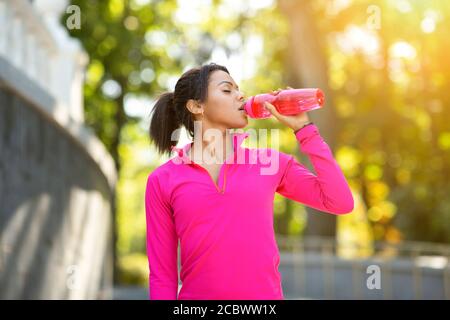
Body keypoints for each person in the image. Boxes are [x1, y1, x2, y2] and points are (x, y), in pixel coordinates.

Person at [145, 62, 354, 300]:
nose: (241, 95)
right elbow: (162, 276)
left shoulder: (269, 163)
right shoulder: (162, 180)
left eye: (238, 89)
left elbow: (340, 202)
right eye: (227, 90)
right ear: (196, 106)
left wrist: (304, 129)